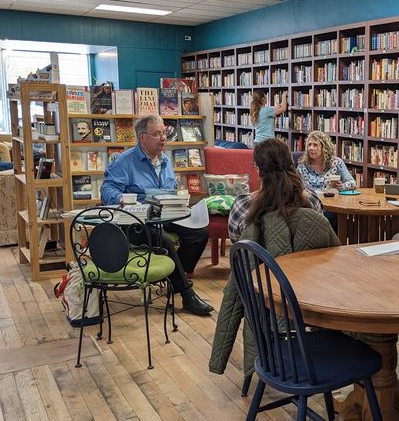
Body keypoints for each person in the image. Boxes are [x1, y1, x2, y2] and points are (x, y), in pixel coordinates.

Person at [210, 138, 338, 379]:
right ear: (291, 164)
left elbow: (239, 246)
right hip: (308, 297)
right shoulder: (311, 201)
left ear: (258, 169)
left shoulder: (242, 206)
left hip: (262, 299)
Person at [100, 114, 214, 316]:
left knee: (199, 234)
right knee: (164, 241)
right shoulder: (124, 161)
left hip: (165, 214)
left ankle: (171, 278)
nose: (163, 138)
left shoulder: (165, 160)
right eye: (157, 134)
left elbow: (170, 189)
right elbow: (107, 191)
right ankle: (186, 295)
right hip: (136, 222)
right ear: (142, 138)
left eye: (164, 133)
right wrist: (123, 198)